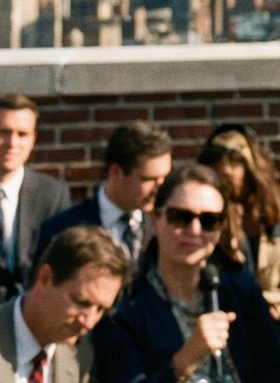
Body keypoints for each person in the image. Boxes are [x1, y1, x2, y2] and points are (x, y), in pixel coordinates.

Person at [94, 164, 280, 383]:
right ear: (154, 219)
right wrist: (184, 361)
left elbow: (275, 373)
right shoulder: (125, 305)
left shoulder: (241, 291)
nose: (195, 230)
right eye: (180, 217)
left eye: (209, 221)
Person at [198, 125, 280, 380]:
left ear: (252, 174)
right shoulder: (211, 215)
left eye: (229, 182)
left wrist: (266, 303)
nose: (226, 192)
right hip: (234, 337)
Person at [35, 123, 172, 277]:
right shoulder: (62, 229)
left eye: (165, 178)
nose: (160, 188)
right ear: (115, 172)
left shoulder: (168, 226)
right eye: (149, 179)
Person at [0, 226, 128, 383]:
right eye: (82, 302)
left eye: (101, 309)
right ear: (45, 278)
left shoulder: (81, 356)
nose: (89, 323)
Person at [0, 94, 70, 301]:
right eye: (3, 132)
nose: (12, 143)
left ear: (33, 139)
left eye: (22, 134)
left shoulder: (52, 194)